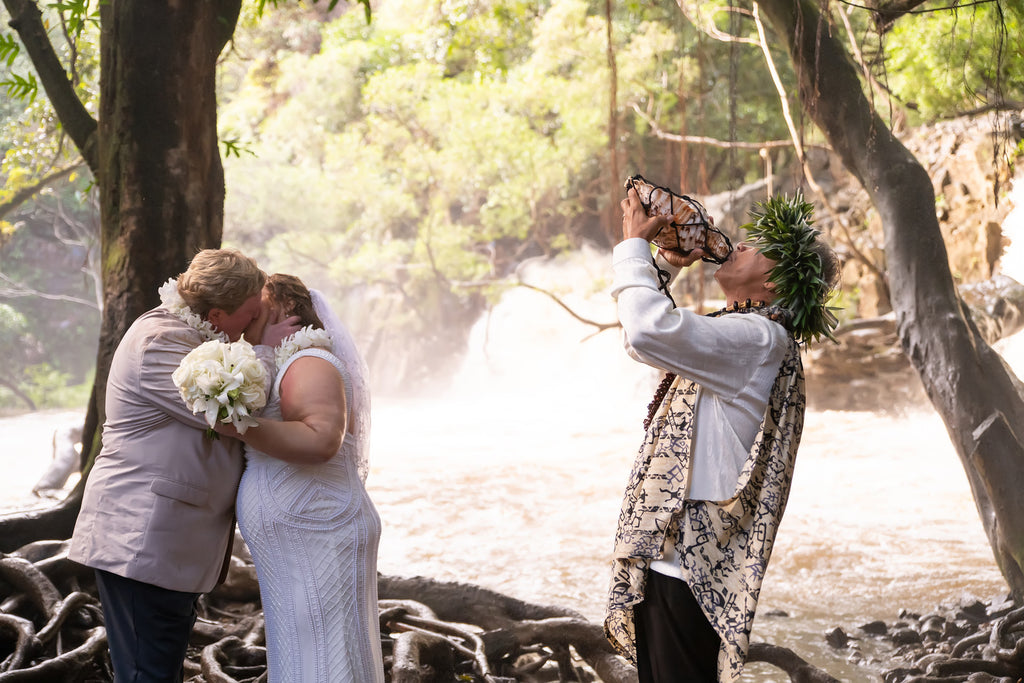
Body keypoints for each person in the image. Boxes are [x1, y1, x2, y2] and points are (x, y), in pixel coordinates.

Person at [604, 189, 840, 683]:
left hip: (687, 568)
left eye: (756, 250)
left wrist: (634, 246)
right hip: (679, 563)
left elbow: (648, 330)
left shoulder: (759, 338)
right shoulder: (747, 333)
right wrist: (664, 265)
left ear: (773, 280)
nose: (738, 247)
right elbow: (639, 339)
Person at [69, 249, 300, 683]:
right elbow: (230, 416)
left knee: (158, 671)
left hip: (169, 543)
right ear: (216, 312)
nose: (253, 326)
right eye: (250, 316)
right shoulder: (162, 343)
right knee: (147, 675)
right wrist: (267, 352)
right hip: (141, 540)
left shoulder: (198, 337)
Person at [226, 273, 384, 683]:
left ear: (285, 310)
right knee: (305, 652)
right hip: (302, 531)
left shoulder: (308, 360)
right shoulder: (274, 361)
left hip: (319, 527)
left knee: (330, 657)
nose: (246, 314)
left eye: (256, 306)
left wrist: (231, 424)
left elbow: (320, 439)